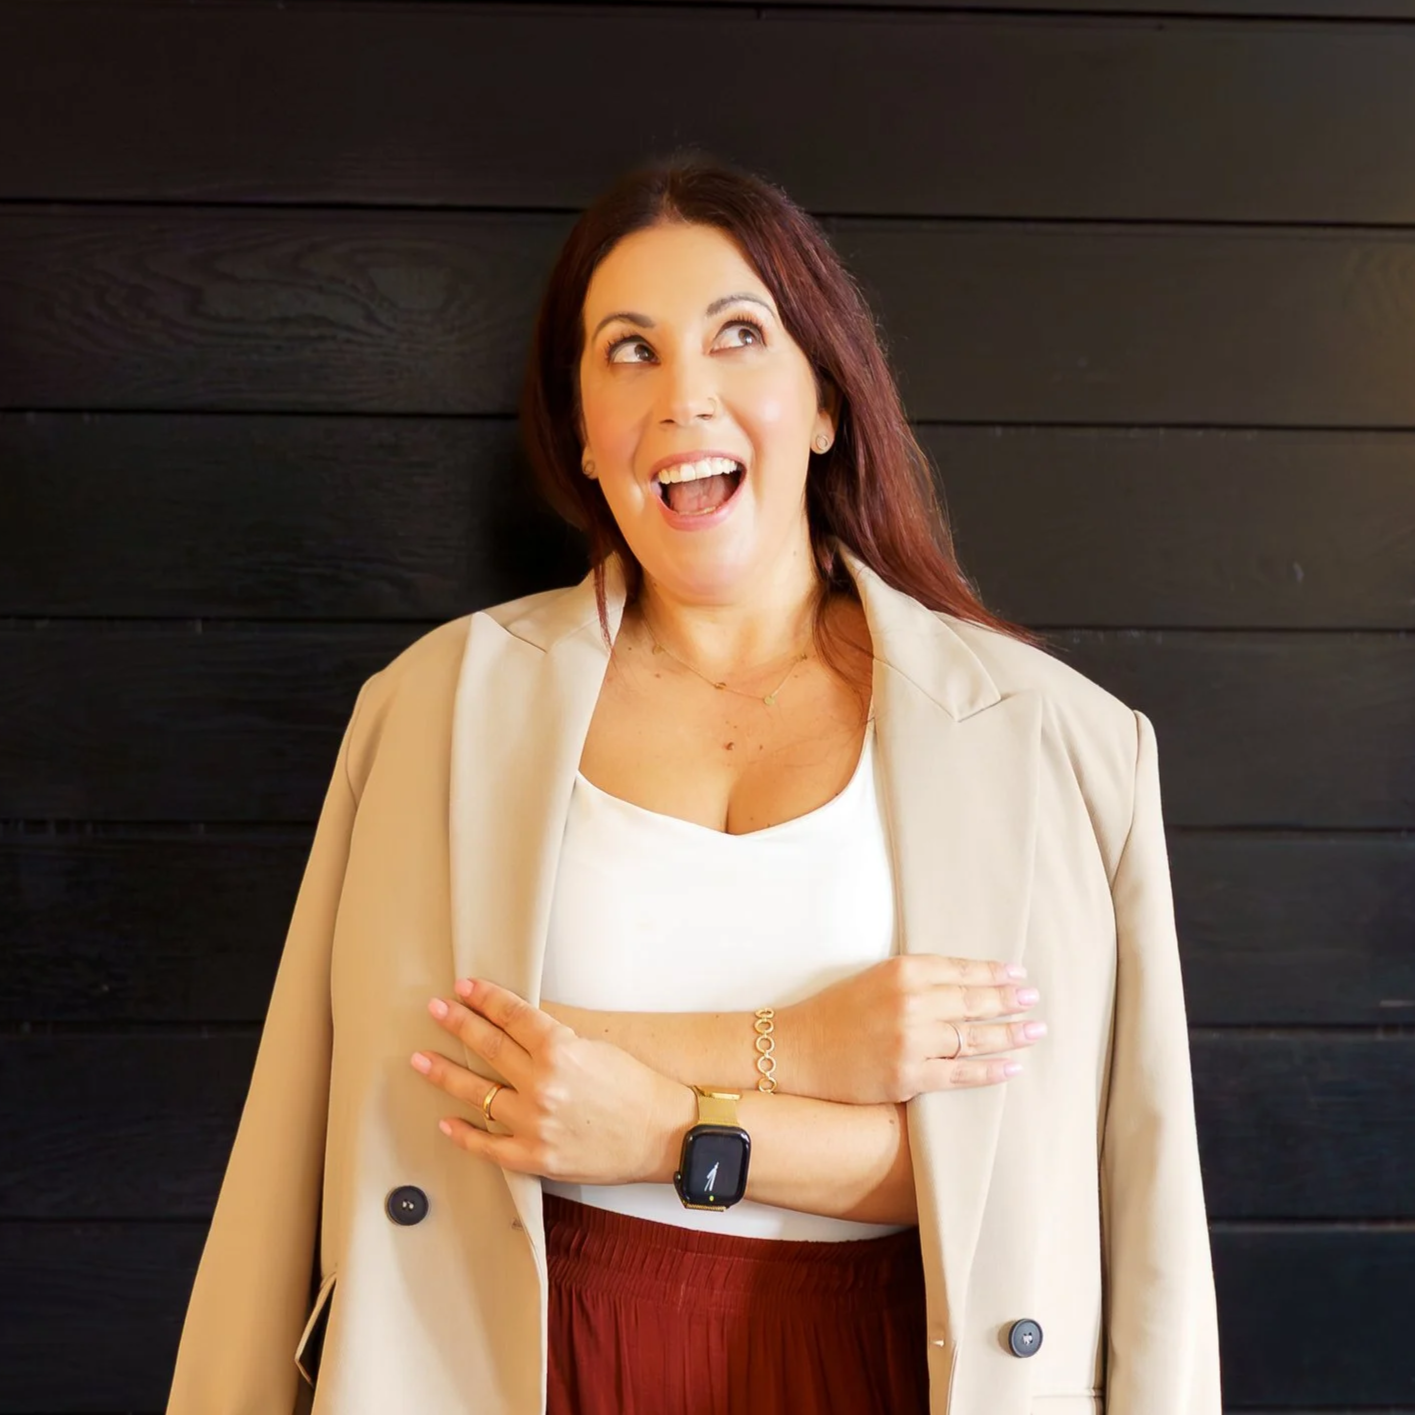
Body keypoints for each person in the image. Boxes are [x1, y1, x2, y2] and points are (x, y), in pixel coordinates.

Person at [165, 152, 1221, 1415]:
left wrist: (664, 1131)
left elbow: (1052, 1181)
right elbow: (384, 1086)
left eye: (737, 335)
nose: (684, 397)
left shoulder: (1062, 745)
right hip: (514, 1355)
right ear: (581, 435)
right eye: (628, 351)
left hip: (902, 1362)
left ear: (825, 398)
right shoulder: (432, 707)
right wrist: (806, 1047)